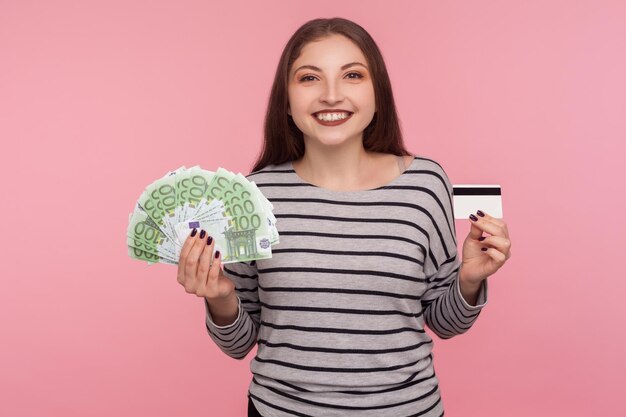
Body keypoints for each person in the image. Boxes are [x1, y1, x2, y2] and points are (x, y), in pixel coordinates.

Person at [177, 17, 512, 417]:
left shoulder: (426, 182)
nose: (331, 95)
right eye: (309, 78)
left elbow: (445, 323)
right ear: (286, 98)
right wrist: (221, 298)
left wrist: (469, 281)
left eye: (352, 75)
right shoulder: (254, 196)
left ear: (377, 93)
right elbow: (238, 344)